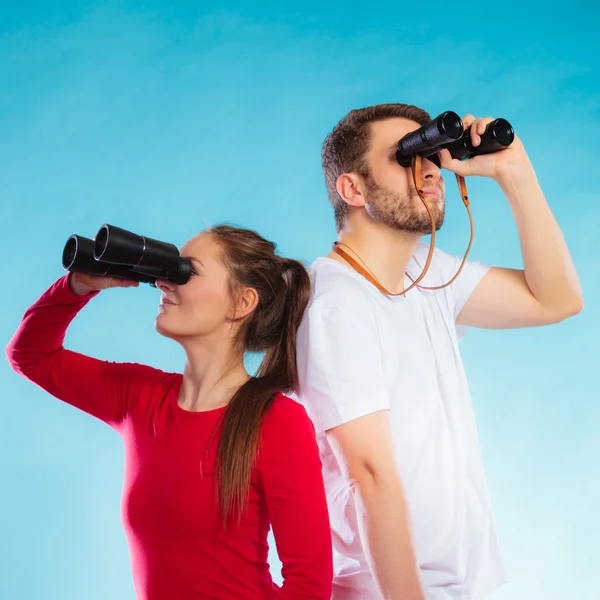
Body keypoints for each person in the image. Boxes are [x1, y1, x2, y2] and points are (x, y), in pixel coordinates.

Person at [293, 104, 583, 600]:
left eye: (431, 152)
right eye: (405, 157)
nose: (429, 168)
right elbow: (369, 474)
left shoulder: (425, 275)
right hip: (384, 590)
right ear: (353, 189)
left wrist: (516, 173)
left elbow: (556, 299)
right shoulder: (337, 303)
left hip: (445, 587)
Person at [6, 225, 333, 600]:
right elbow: (29, 355)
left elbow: (309, 587)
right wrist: (78, 286)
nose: (164, 283)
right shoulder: (138, 396)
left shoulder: (276, 421)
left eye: (186, 271)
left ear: (241, 303)